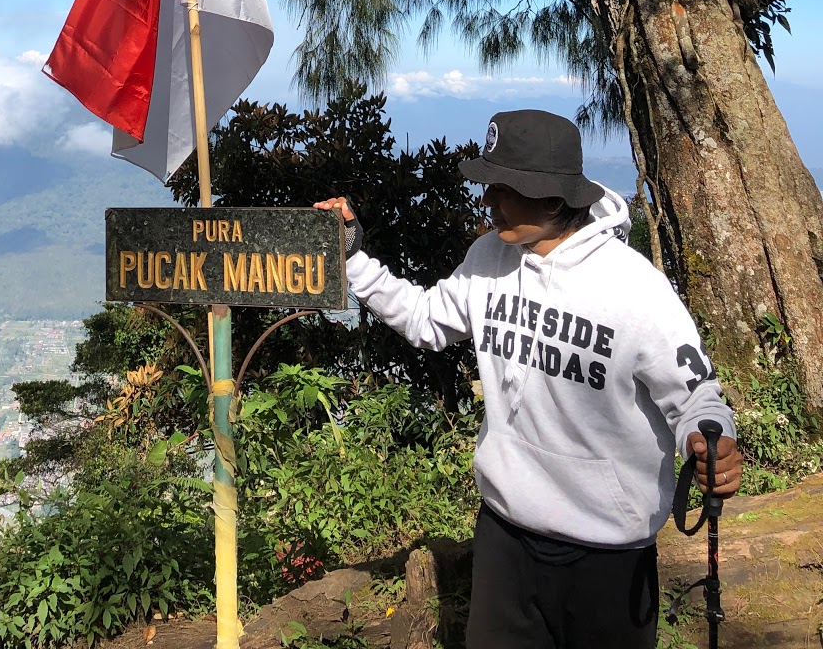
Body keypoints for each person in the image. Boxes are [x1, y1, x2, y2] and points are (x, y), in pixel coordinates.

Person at [315, 107, 742, 649]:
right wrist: (353, 260)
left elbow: (696, 395)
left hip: (609, 557)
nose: (486, 199)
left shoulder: (636, 288)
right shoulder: (488, 257)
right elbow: (426, 321)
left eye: (502, 187)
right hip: (505, 539)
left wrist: (712, 439)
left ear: (553, 200)